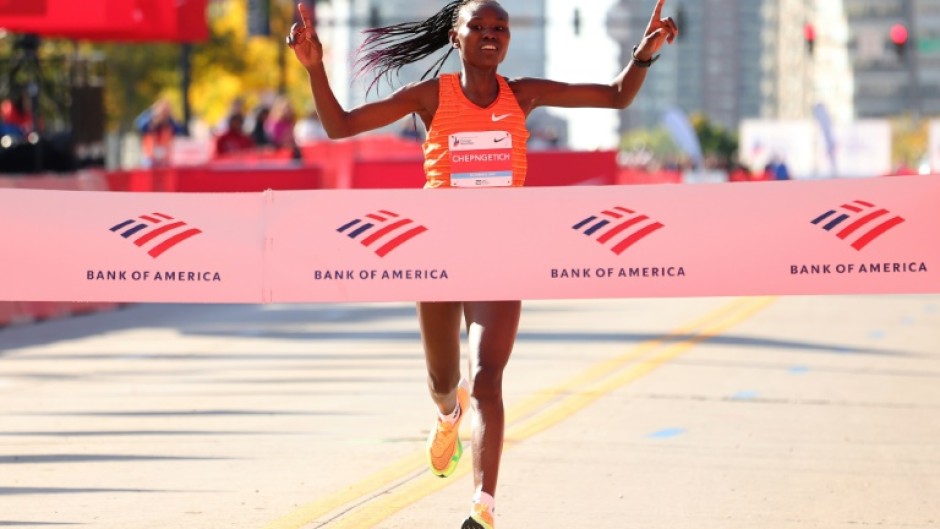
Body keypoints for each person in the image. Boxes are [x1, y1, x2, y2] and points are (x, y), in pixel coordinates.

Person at [288, 1, 677, 528]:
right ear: (456, 37)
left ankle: (483, 506)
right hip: (437, 257)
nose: (491, 35)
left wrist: (644, 55)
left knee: (489, 380)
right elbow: (340, 126)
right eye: (480, 27)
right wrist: (315, 67)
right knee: (444, 381)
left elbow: (615, 95)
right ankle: (448, 414)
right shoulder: (431, 97)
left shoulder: (524, 94)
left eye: (501, 28)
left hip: (499, 256)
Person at [135, 98, 185, 169]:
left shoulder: (170, 124)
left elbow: (180, 130)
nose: (162, 115)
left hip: (166, 159)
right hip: (150, 158)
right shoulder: (149, 122)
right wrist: (152, 115)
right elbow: (139, 125)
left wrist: (171, 117)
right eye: (161, 112)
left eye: (165, 112)